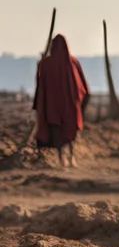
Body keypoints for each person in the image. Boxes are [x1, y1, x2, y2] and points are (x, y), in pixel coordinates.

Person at [32, 34, 90, 168]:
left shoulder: (46, 64)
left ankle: (62, 159)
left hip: (53, 108)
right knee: (69, 135)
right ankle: (71, 157)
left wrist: (39, 105)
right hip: (70, 108)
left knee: (58, 134)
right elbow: (84, 88)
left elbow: (41, 87)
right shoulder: (73, 62)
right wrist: (80, 106)